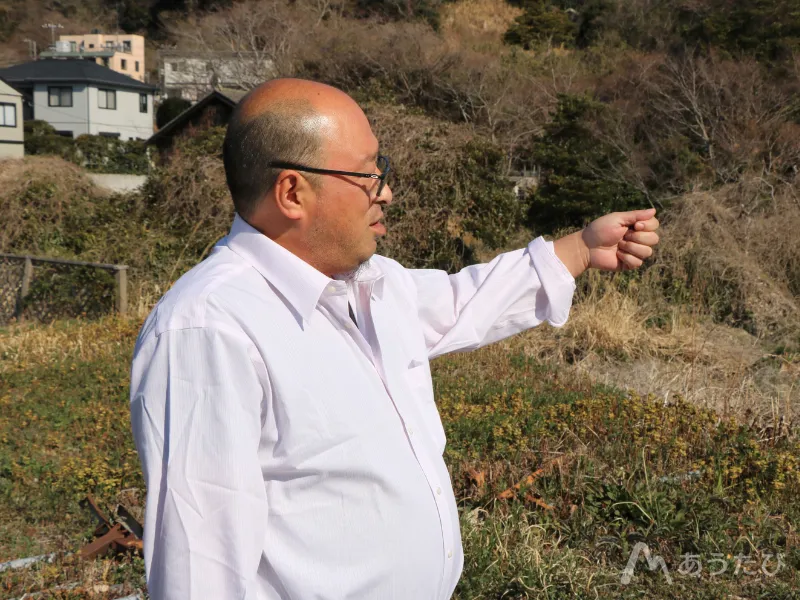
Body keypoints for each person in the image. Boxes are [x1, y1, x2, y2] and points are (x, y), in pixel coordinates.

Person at [129, 78, 660, 599]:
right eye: (367, 174)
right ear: (292, 192)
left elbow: (463, 302)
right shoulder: (209, 329)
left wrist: (580, 249)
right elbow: (200, 566)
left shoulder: (372, 284)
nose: (386, 191)